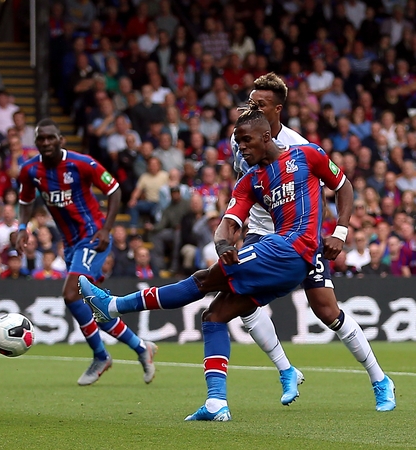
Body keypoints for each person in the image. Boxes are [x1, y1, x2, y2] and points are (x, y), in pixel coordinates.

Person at [82, 105, 395, 421]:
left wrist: (340, 232)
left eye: (246, 141)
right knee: (214, 316)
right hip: (279, 255)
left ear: (267, 135)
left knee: (207, 281)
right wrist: (222, 243)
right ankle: (217, 402)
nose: (241, 148)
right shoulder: (251, 181)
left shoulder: (307, 155)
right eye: (237, 142)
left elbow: (343, 187)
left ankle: (112, 306)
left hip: (293, 249)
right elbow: (229, 222)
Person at [228, 73, 392, 410]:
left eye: (259, 104)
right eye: (251, 101)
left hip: (300, 235)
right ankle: (286, 370)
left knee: (327, 311)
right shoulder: (239, 139)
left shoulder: (300, 147)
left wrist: (339, 231)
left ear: (277, 109)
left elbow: (340, 185)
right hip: (261, 233)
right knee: (241, 302)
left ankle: (380, 379)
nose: (251, 107)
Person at [17, 119, 157, 386]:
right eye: (40, 139)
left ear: (61, 140)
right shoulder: (29, 170)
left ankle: (101, 356)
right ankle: (141, 348)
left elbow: (114, 190)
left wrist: (106, 229)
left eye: (50, 138)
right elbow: (24, 202)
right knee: (93, 309)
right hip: (70, 245)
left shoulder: (82, 163)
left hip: (92, 236)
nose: (45, 143)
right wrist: (23, 227)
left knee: (71, 294)